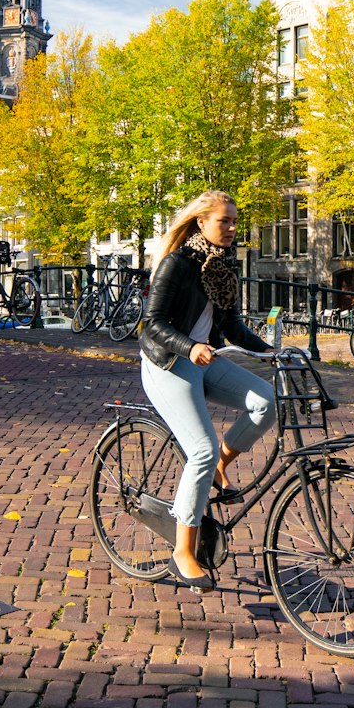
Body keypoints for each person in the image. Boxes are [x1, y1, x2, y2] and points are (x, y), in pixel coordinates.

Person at [139, 190, 276, 591]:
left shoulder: (222, 266)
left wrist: (271, 351)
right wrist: (190, 345)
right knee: (200, 448)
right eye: (224, 221)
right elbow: (153, 325)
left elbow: (232, 326)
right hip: (168, 363)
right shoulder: (176, 264)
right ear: (201, 222)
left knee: (266, 400)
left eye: (235, 221)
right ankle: (184, 550)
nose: (232, 228)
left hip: (204, 360)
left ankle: (221, 465)